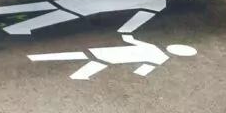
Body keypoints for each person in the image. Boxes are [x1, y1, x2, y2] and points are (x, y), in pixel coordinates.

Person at [29, 33, 197, 79]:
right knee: (91, 64)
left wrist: (126, 35)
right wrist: (138, 74)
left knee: (78, 56)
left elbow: (131, 40)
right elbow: (145, 67)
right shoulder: (160, 56)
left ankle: (38, 58)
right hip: (111, 57)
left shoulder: (153, 49)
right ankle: (80, 76)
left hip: (108, 53)